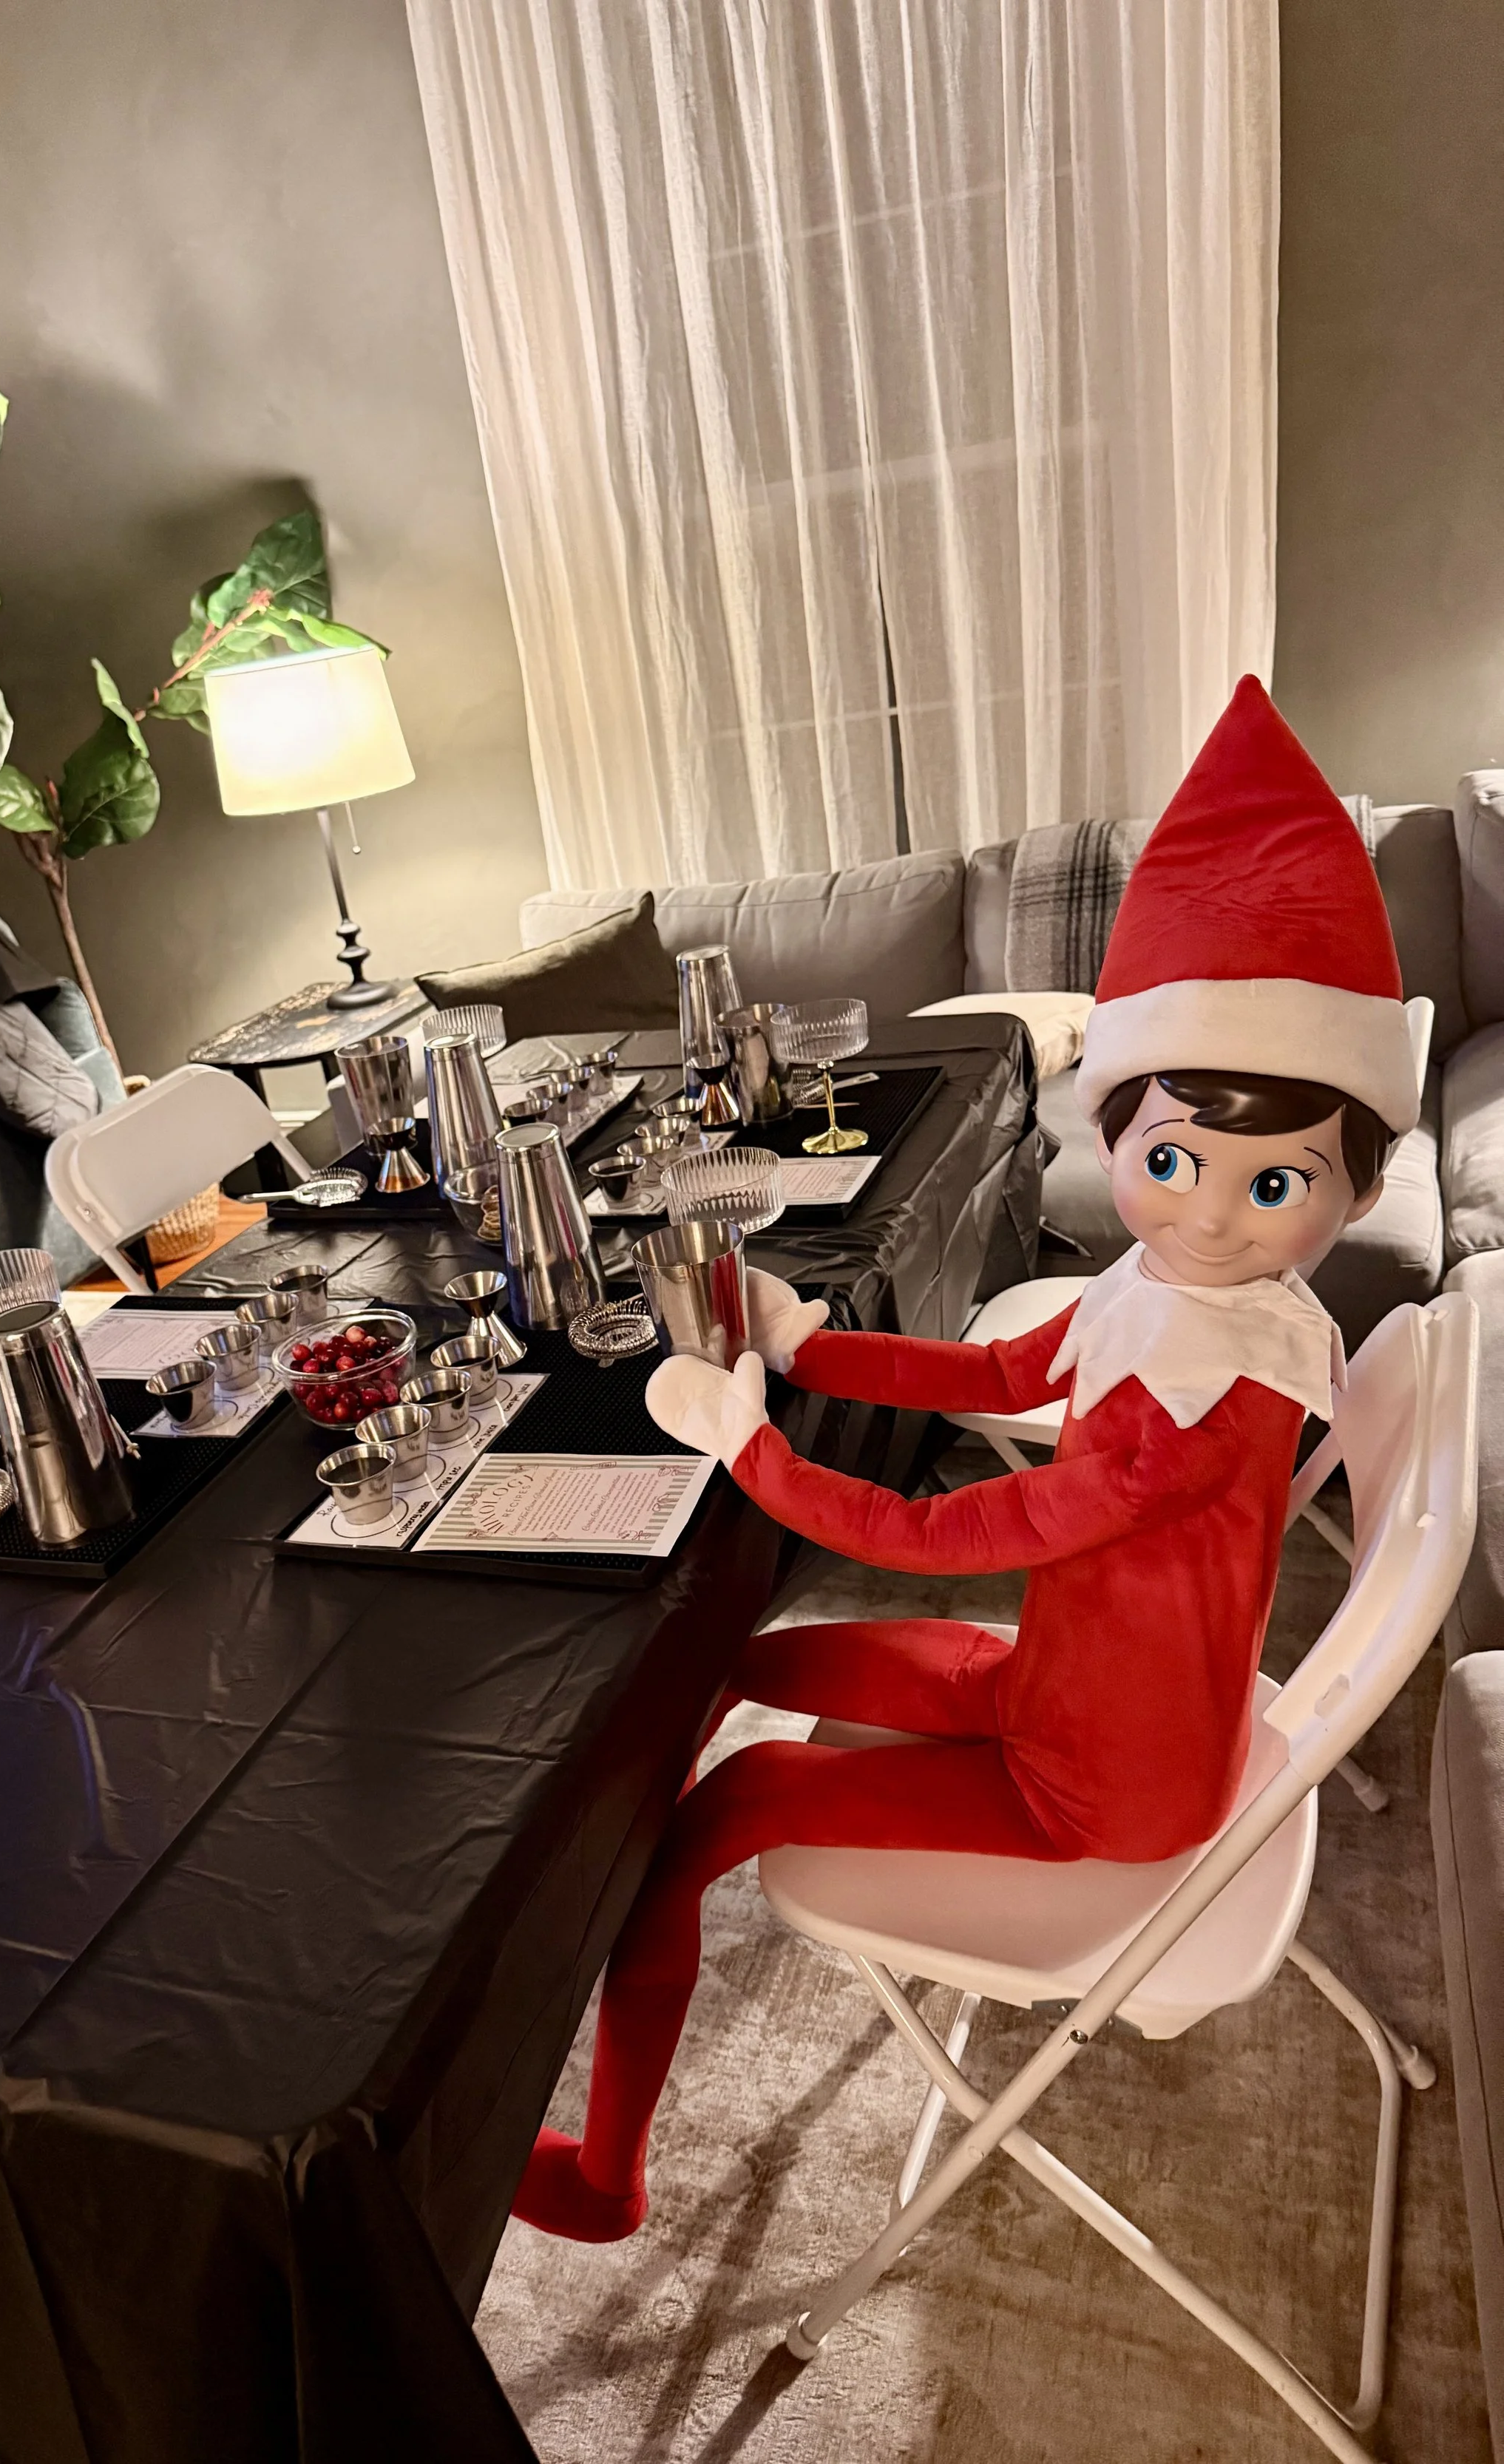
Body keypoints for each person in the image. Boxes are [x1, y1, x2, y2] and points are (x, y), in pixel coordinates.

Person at [511, 674, 1420, 2244]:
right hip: (1074, 1700)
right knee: (732, 1661)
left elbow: (965, 1530)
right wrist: (808, 1352)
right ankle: (569, 1989)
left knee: (713, 1818)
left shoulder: (1208, 1391)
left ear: (1349, 1184)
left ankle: (604, 2175)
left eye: (1274, 1179)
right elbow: (1006, 1366)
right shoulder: (1204, 1297)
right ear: (1115, 1134)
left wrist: (752, 1453)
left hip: (1104, 1789)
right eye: (1165, 1159)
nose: (1204, 1211)